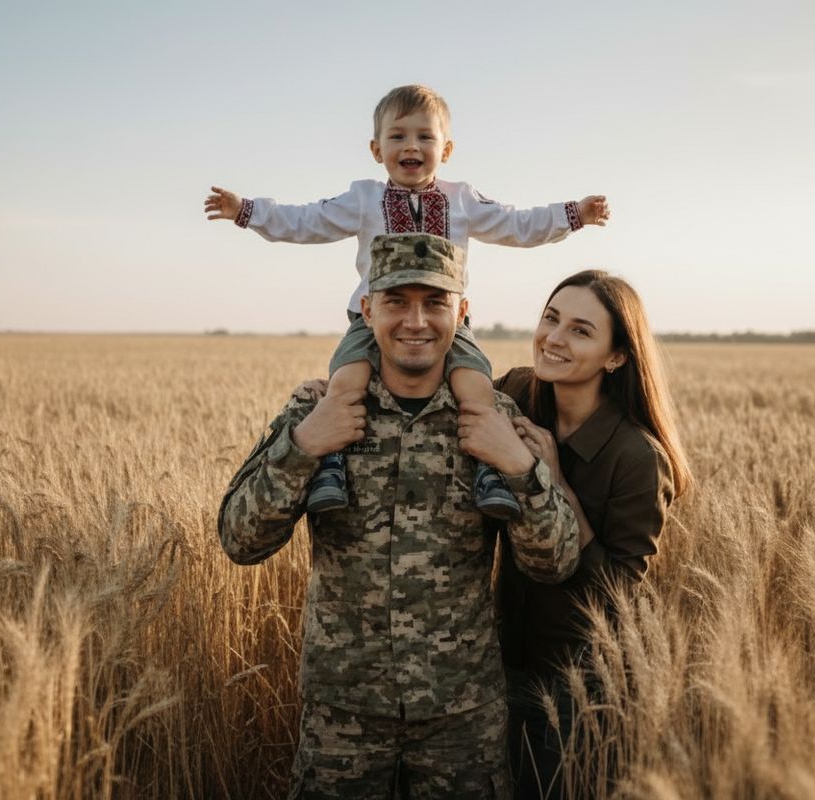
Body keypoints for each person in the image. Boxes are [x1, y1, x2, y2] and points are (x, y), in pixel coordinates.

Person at [218, 233, 582, 799]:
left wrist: (515, 463)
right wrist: (305, 446)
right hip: (342, 716)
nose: (416, 321)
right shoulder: (317, 412)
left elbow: (553, 561)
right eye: (396, 302)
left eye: (435, 302)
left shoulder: (494, 417)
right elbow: (239, 538)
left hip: (461, 718)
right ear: (367, 311)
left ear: (460, 314)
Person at [206, 84, 610, 521]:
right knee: (346, 383)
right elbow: (306, 221)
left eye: (425, 136)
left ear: (447, 149)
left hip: (449, 324)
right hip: (372, 321)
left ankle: (488, 472)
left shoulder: (462, 199)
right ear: (377, 149)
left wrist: (573, 215)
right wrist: (246, 210)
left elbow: (517, 223)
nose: (411, 145)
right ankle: (331, 467)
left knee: (476, 387)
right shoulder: (362, 199)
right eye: (398, 136)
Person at [496, 269, 693, 799]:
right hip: (501, 664)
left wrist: (555, 483)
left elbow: (619, 594)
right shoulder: (517, 391)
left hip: (581, 687)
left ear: (616, 357)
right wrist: (340, 384)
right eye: (551, 318)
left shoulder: (637, 458)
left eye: (581, 330)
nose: (554, 338)